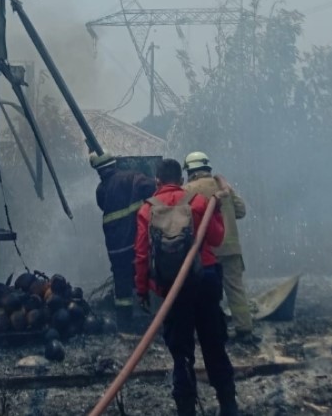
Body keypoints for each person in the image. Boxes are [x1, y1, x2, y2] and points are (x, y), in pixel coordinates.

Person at [134, 159, 239, 416]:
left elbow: (141, 256)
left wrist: (142, 290)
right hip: (205, 280)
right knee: (214, 345)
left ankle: (186, 409)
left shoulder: (147, 211)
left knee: (181, 353)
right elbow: (215, 238)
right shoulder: (198, 202)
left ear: (157, 181)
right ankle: (228, 406)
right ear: (181, 180)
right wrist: (214, 213)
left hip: (171, 289)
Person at [183, 151, 258, 344]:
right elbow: (241, 211)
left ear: (190, 170)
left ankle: (214, 330)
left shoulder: (188, 190)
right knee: (235, 289)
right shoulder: (224, 187)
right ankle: (245, 329)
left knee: (208, 292)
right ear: (207, 168)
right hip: (232, 249)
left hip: (208, 251)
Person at [91, 150, 156, 332]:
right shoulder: (132, 177)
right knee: (143, 273)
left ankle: (124, 324)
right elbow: (153, 188)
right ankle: (149, 316)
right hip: (134, 240)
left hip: (114, 246)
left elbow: (104, 205)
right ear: (114, 165)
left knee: (121, 282)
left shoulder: (100, 190)